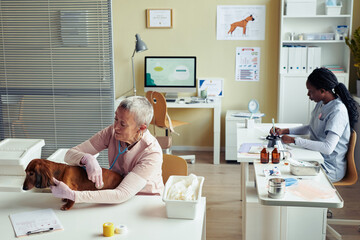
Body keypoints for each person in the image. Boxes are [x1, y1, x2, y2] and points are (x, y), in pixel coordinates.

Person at [50, 96, 164, 203]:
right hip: (115, 196)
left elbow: (122, 194)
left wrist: (73, 195)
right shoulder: (111, 133)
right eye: (116, 119)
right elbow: (69, 154)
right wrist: (87, 158)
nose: (116, 127)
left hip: (145, 201)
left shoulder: (152, 153)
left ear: (142, 128)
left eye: (123, 124)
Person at [272, 68, 359, 182]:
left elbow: (328, 148)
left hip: (329, 167)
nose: (308, 94)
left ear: (322, 91)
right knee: (283, 161)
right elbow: (311, 127)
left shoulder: (338, 111)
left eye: (310, 91)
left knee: (284, 170)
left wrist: (295, 140)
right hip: (315, 156)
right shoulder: (322, 104)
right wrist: (285, 131)